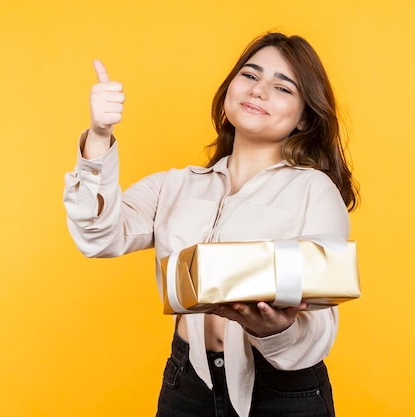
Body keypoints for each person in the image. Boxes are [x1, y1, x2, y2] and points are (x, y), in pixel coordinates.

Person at [63, 32, 358, 417]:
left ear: (304, 116)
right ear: (229, 90)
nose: (259, 90)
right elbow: (97, 236)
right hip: (187, 383)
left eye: (282, 87)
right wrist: (99, 138)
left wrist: (273, 330)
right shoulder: (174, 185)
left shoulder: (314, 190)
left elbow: (319, 324)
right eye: (250, 76)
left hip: (283, 395)